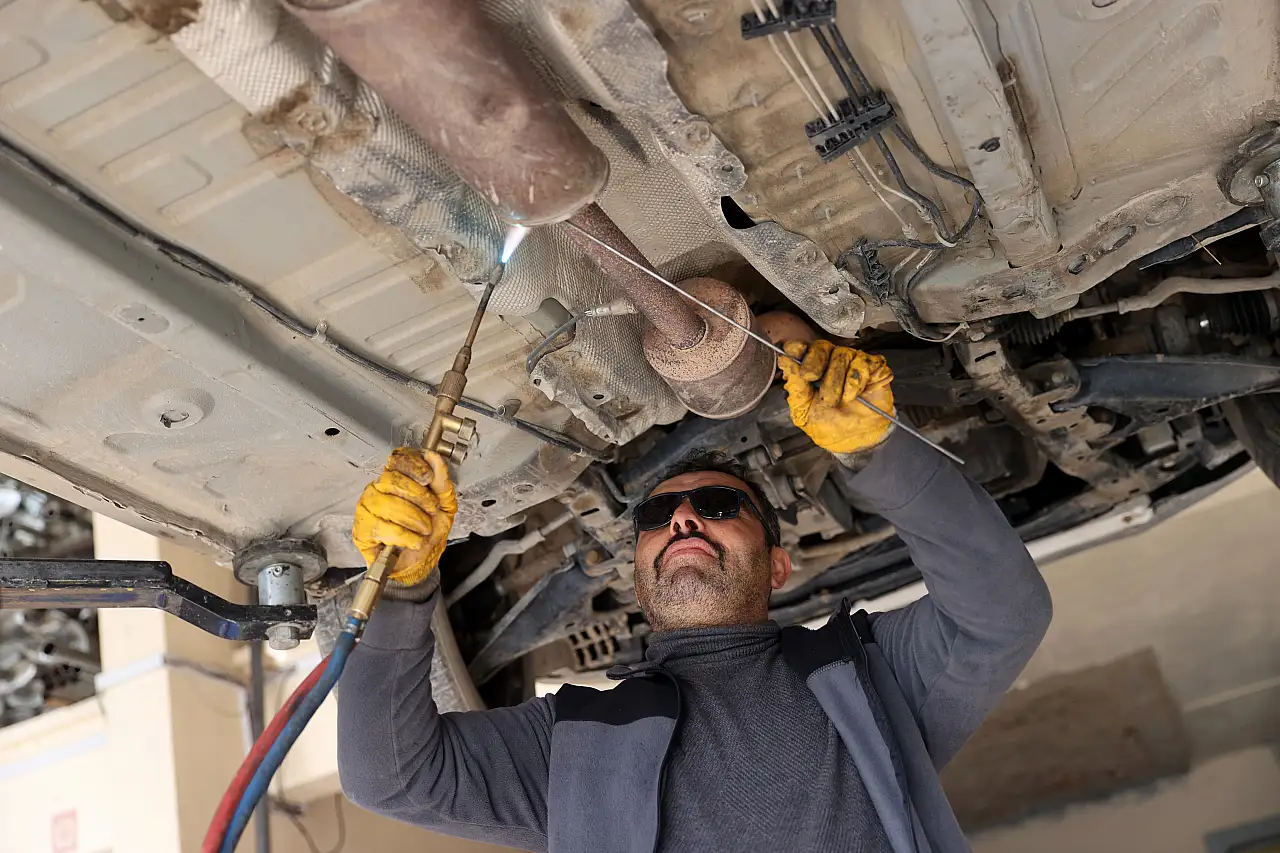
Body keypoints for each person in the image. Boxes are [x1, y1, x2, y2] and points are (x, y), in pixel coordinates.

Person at [340, 340, 1053, 853]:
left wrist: (880, 451)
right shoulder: (570, 744)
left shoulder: (869, 675)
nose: (682, 517)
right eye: (656, 515)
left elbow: (1002, 611)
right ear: (637, 573)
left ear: (778, 565)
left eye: (718, 504)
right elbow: (392, 777)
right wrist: (404, 588)